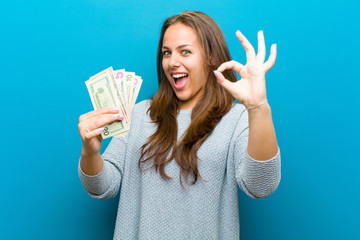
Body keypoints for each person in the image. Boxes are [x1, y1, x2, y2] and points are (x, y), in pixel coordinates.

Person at [78, 11, 281, 239]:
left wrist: (258, 107)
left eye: (185, 51)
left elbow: (261, 185)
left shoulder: (235, 119)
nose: (173, 62)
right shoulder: (139, 113)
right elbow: (102, 187)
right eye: (166, 53)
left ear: (211, 57)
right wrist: (90, 151)